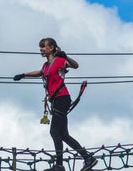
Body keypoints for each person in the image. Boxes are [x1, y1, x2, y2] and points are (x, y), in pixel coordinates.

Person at [13, 38, 97, 171]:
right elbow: (39, 73)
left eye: (43, 47)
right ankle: (88, 158)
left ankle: (59, 165)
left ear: (51, 48)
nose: (41, 49)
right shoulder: (46, 65)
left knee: (54, 132)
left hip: (62, 98)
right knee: (63, 135)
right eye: (40, 47)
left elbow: (75, 65)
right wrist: (23, 75)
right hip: (57, 100)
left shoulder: (59, 61)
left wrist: (66, 56)